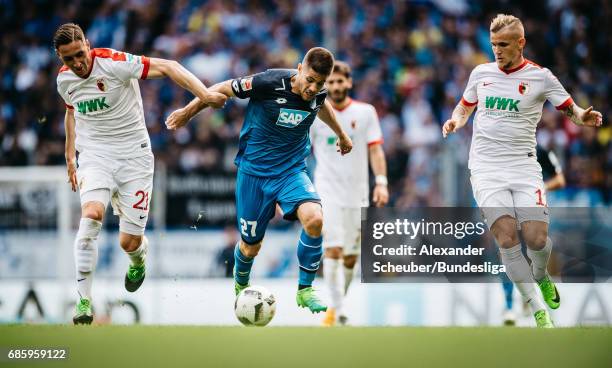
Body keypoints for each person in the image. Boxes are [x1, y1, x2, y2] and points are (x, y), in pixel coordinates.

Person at [54, 23, 227, 325]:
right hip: (95, 157)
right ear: (60, 58)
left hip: (134, 157)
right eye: (69, 59)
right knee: (91, 215)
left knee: (129, 243)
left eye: (80, 54)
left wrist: (205, 95)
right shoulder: (65, 80)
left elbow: (169, 65)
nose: (77, 64)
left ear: (88, 44)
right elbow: (72, 112)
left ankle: (139, 257)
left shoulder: (114, 63)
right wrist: (70, 156)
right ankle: (83, 301)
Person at [442, 14, 603, 328]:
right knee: (505, 239)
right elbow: (464, 106)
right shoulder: (481, 73)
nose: (497, 51)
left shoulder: (540, 77)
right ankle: (537, 311)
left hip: (524, 167)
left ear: (520, 43)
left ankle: (541, 276)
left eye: (503, 45)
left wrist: (583, 116)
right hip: (486, 168)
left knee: (537, 239)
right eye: (493, 45)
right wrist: (456, 120)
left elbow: (569, 108)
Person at [165, 47, 353, 313]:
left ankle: (305, 289)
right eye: (309, 80)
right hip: (254, 173)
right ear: (299, 68)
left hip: (291, 171)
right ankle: (241, 283)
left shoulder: (318, 93)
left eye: (319, 83)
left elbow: (323, 106)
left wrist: (342, 135)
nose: (313, 88)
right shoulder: (268, 82)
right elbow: (222, 87)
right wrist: (188, 112)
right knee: (251, 246)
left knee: (315, 219)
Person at [310, 61, 389, 326]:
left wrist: (381, 181)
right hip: (327, 189)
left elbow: (375, 149)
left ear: (349, 82)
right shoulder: (315, 114)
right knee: (332, 249)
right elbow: (301, 151)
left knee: (351, 256)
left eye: (339, 81)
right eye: (330, 82)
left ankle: (335, 305)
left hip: (357, 193)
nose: (335, 86)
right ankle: (340, 309)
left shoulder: (365, 112)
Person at [501, 144, 566, 325]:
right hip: (511, 210)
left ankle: (541, 293)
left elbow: (560, 180)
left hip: (535, 209)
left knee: (538, 250)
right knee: (507, 250)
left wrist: (537, 187)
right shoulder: (502, 149)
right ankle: (510, 306)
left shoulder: (542, 151)